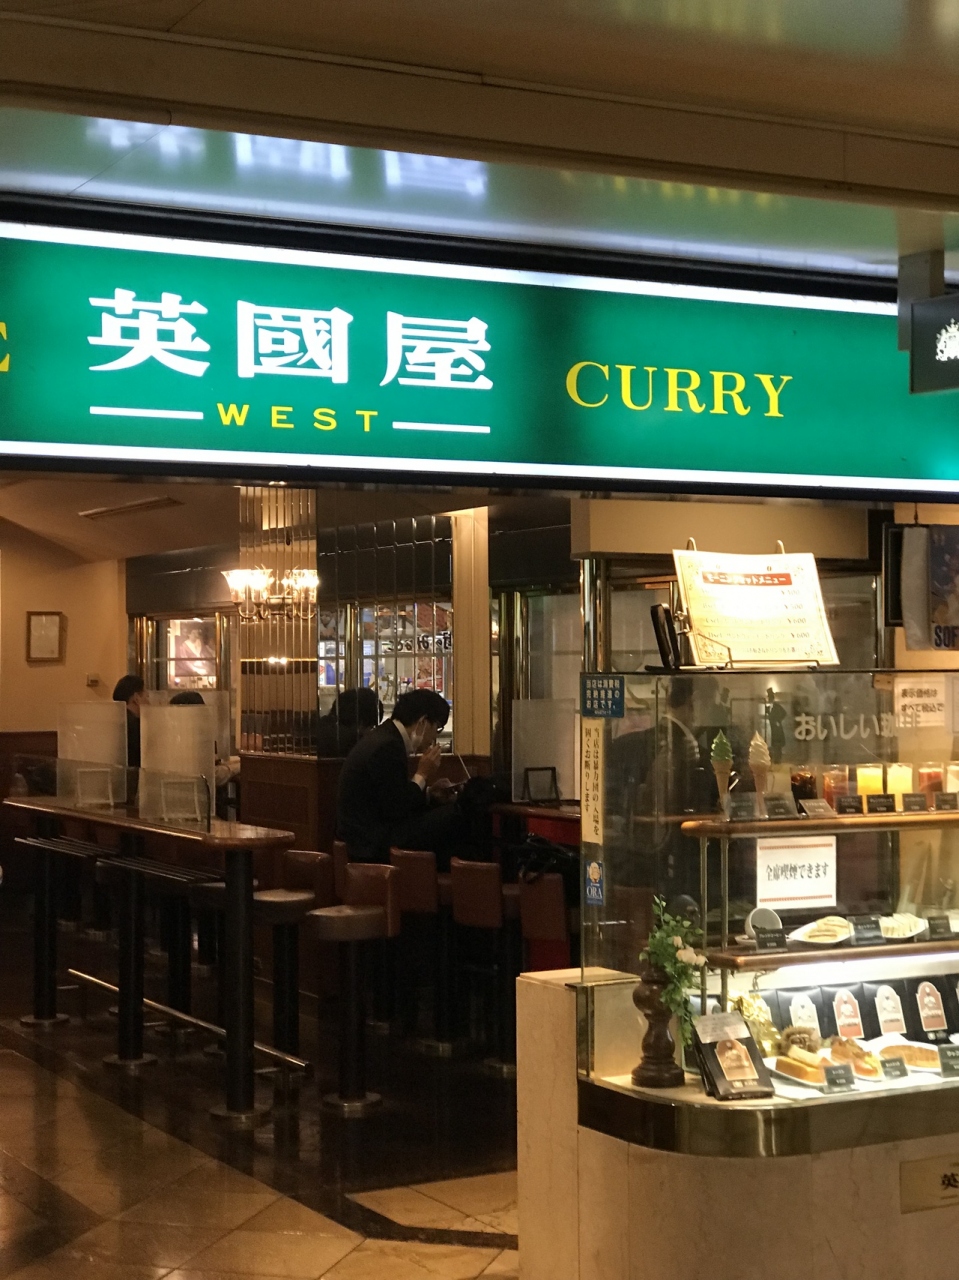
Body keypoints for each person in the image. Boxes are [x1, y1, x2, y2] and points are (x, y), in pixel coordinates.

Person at [337, 688, 466, 866]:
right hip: (371, 843)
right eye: (437, 728)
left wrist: (429, 793)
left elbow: (392, 795)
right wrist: (422, 774)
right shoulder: (387, 746)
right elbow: (397, 809)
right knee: (457, 813)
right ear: (423, 722)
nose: (434, 737)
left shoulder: (384, 737)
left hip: (367, 835)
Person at [315, 687, 382, 757]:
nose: (372, 732)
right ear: (362, 723)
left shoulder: (324, 729)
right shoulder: (359, 747)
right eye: (372, 727)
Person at [112, 673, 145, 768]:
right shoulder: (136, 725)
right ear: (136, 698)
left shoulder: (116, 721)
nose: (149, 702)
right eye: (147, 696)